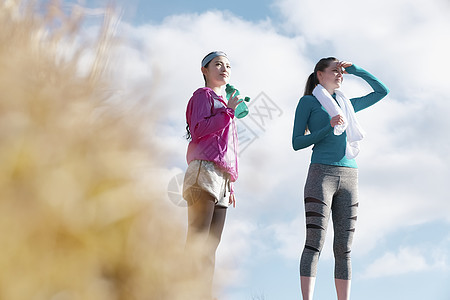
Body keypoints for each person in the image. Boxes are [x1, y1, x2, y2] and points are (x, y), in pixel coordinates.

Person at [292, 57, 389, 300]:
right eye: (334, 71)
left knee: (344, 249)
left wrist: (356, 70)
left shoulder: (347, 105)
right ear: (319, 74)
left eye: (341, 72)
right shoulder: (308, 102)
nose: (339, 75)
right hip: (320, 174)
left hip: (349, 176)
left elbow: (382, 91)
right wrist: (327, 128)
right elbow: (296, 142)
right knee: (314, 242)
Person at [182, 51, 243, 299]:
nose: (224, 68)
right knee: (198, 241)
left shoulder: (224, 105)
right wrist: (227, 112)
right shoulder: (202, 96)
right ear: (204, 70)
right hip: (203, 172)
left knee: (211, 247)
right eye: (218, 64)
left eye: (228, 65)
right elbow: (198, 130)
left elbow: (229, 148)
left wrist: (231, 185)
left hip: (222, 182)